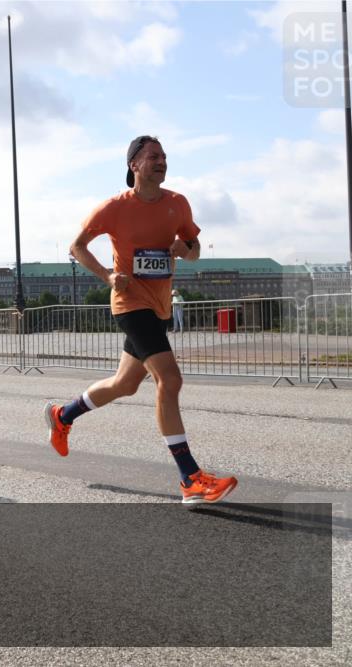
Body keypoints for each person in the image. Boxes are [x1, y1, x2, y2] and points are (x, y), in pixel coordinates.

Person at [44, 136, 237, 505]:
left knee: (125, 384)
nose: (161, 162)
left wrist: (185, 249)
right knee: (170, 378)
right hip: (130, 304)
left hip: (160, 306)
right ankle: (190, 479)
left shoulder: (177, 204)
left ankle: (62, 415)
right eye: (153, 157)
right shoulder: (114, 208)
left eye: (164, 156)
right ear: (134, 164)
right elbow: (77, 246)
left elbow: (194, 250)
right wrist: (107, 276)